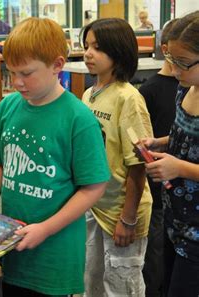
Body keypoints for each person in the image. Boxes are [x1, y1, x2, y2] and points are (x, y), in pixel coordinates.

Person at [0, 17, 110, 296]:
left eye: (26, 73)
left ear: (57, 65)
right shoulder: (8, 106)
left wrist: (45, 229)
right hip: (9, 247)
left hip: (54, 257)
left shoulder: (78, 119)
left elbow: (93, 187)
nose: (17, 82)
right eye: (11, 73)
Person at [81, 18, 154, 297]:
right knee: (93, 280)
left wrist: (128, 219)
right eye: (86, 46)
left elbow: (138, 166)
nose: (88, 53)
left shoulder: (129, 99)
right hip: (96, 207)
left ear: (118, 52)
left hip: (123, 211)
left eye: (97, 48)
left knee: (122, 287)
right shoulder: (89, 94)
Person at [141, 11, 199, 297]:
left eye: (183, 63)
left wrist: (180, 168)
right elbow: (184, 135)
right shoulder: (185, 89)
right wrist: (160, 142)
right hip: (175, 217)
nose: (175, 71)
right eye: (171, 60)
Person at [138, 18, 179, 297]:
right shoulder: (150, 90)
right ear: (166, 49)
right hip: (157, 189)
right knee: (156, 257)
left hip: (181, 192)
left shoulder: (190, 89)